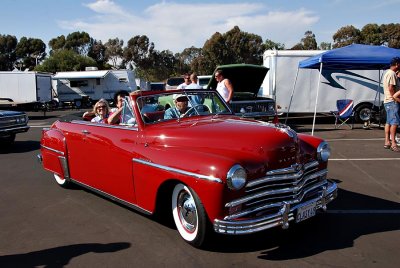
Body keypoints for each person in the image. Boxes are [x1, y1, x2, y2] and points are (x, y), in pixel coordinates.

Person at [383, 57, 400, 151]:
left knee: (388, 122)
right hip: (392, 101)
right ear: (397, 64)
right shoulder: (392, 73)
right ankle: (393, 143)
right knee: (395, 122)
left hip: (387, 100)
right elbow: (391, 88)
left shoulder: (387, 72)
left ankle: (387, 142)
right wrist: (395, 98)